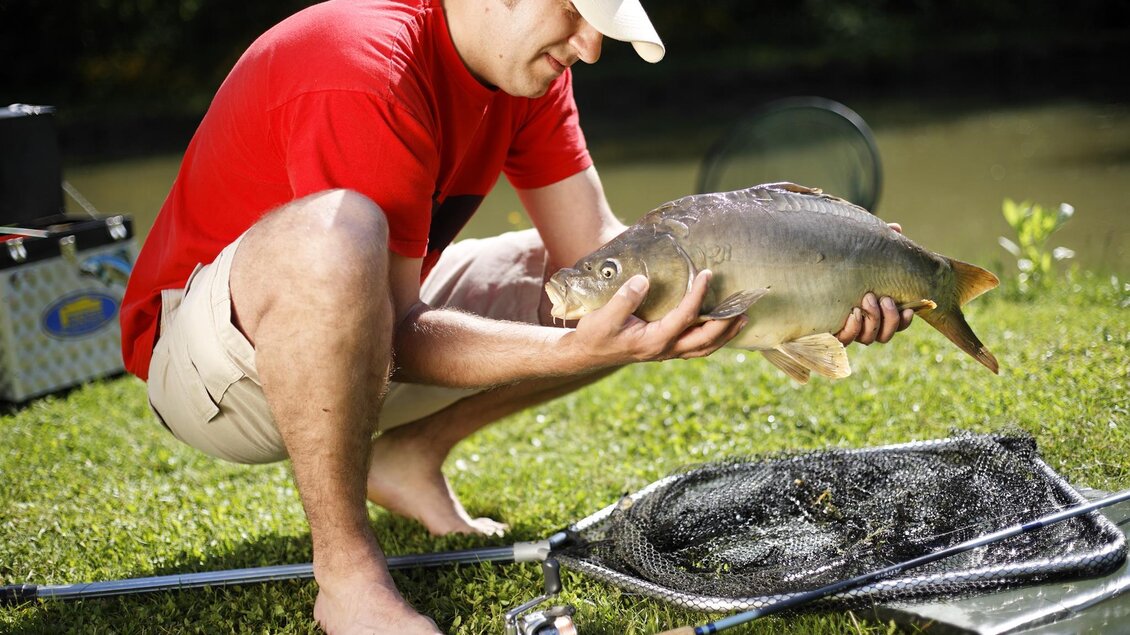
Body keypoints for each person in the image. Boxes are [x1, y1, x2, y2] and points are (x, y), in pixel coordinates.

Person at [120, 0, 912, 632]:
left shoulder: (529, 76)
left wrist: (808, 300)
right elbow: (392, 332)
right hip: (215, 366)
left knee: (601, 277)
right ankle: (348, 578)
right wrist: (572, 354)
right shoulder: (360, 61)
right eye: (573, 12)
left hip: (358, 332)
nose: (590, 46)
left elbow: (604, 253)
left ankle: (409, 456)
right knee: (341, 236)